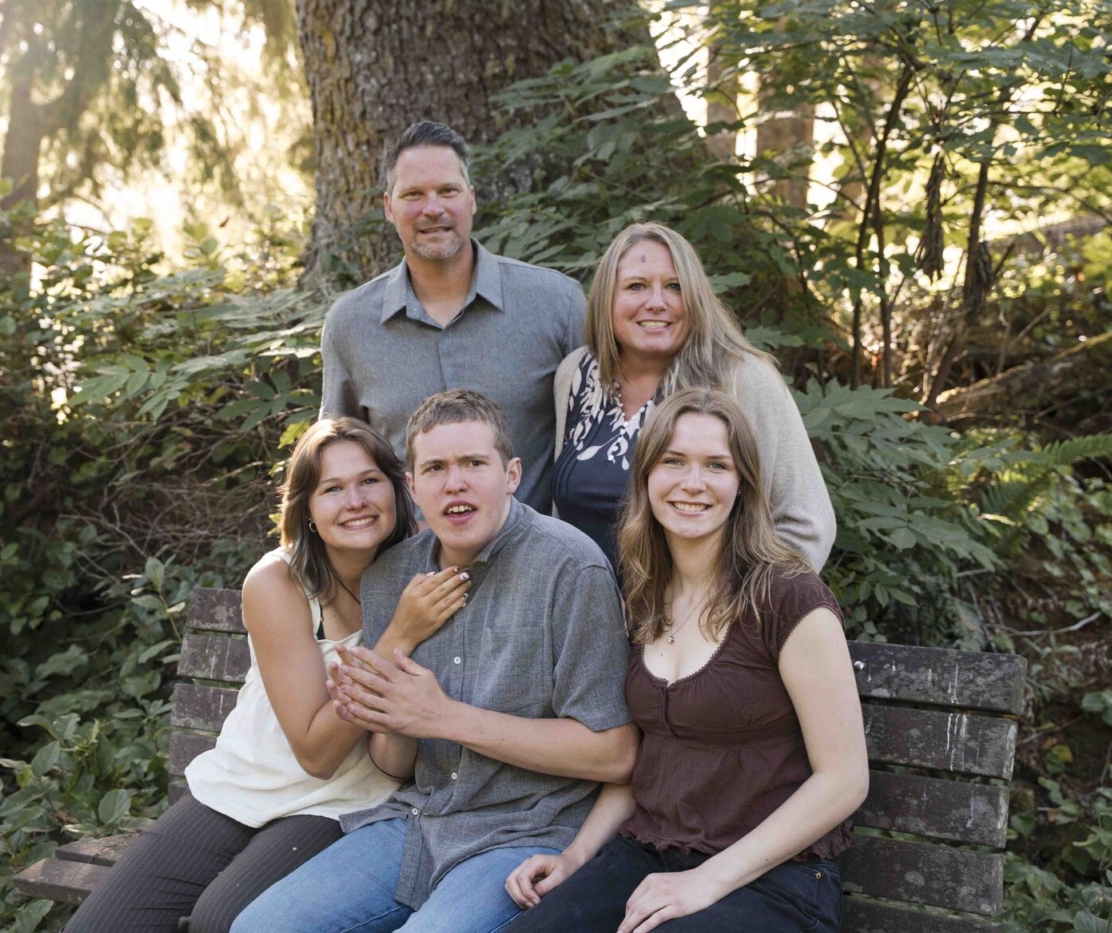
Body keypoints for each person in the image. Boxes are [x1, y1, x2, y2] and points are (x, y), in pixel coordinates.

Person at [231, 389, 638, 933]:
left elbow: (614, 754)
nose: (455, 483)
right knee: (259, 928)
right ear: (413, 487)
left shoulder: (569, 568)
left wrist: (441, 716)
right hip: (418, 822)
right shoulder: (391, 575)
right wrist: (395, 710)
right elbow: (394, 764)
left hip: (524, 833)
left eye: (474, 463)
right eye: (436, 468)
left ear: (512, 474)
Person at [65, 418, 469, 933]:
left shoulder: (423, 571)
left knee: (221, 922)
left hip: (343, 801)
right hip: (246, 785)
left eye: (369, 480)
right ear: (306, 509)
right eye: (332, 489)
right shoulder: (278, 580)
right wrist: (398, 636)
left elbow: (335, 771)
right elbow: (313, 750)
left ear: (398, 487)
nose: (356, 501)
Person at [503, 387, 869, 933]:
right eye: (673, 461)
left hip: (769, 877)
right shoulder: (643, 595)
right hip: (647, 857)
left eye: (715, 465)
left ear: (742, 484)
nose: (692, 483)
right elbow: (647, 756)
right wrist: (576, 858)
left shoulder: (787, 595)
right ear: (646, 477)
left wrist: (709, 879)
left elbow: (843, 779)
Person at [321, 121, 585, 514]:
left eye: (448, 191)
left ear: (472, 199)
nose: (433, 208)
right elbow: (336, 462)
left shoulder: (557, 304)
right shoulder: (350, 325)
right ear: (388, 207)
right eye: (414, 194)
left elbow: (601, 440)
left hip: (540, 565)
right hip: (410, 568)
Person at [552, 222, 834, 569]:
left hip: (696, 618)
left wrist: (736, 614)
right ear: (606, 299)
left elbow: (807, 526)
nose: (656, 303)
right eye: (636, 286)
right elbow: (559, 520)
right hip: (580, 616)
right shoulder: (577, 374)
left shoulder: (742, 380)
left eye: (675, 287)